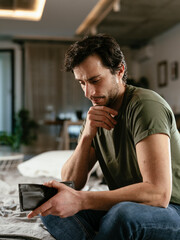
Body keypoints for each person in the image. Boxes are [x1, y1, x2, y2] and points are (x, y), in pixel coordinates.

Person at [27, 34, 180, 240]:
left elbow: (158, 194)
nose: (88, 93)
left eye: (95, 80)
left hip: (172, 208)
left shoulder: (145, 106)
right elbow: (71, 182)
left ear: (120, 71)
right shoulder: (97, 113)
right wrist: (87, 136)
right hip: (128, 206)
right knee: (52, 207)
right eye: (81, 83)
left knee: (122, 215)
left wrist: (82, 201)